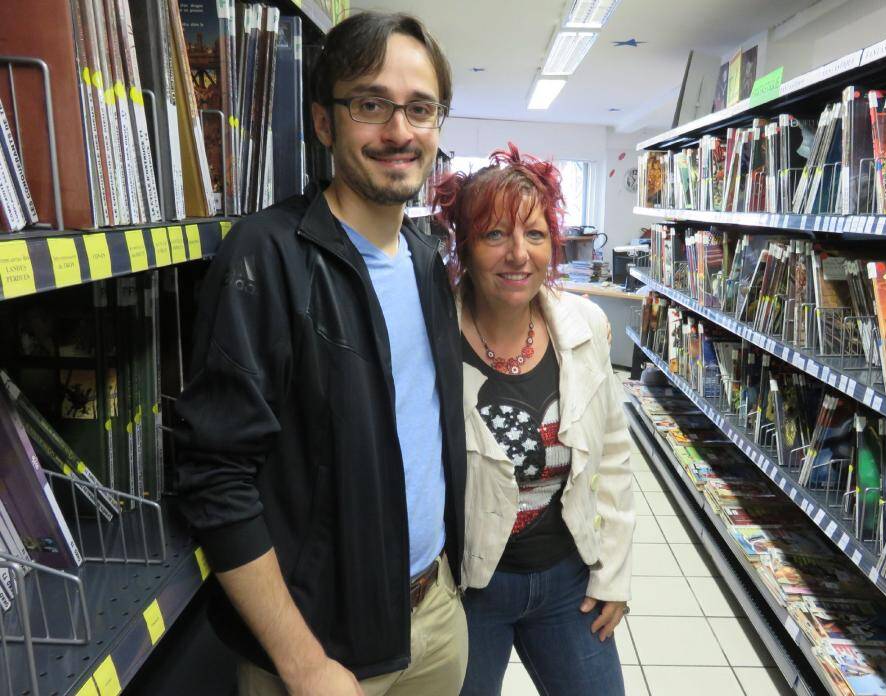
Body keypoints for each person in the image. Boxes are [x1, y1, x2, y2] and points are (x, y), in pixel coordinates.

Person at [175, 12, 467, 696]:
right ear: (324, 122)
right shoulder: (267, 256)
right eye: (371, 104)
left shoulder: (427, 260)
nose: (399, 131)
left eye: (419, 109)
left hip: (434, 615)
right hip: (319, 654)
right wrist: (303, 665)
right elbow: (217, 480)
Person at [432, 145, 635, 696]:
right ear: (464, 247)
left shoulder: (585, 327)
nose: (519, 254)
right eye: (495, 235)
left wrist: (613, 572)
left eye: (536, 234)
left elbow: (612, 453)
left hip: (569, 582)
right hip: (469, 589)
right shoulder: (433, 342)